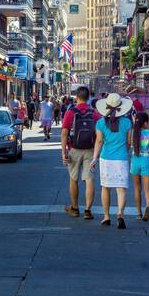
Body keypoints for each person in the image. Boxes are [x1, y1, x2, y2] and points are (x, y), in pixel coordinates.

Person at [93, 92, 134, 228]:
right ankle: (120, 214)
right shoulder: (127, 122)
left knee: (105, 188)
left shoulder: (100, 123)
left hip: (106, 158)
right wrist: (125, 150)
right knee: (121, 189)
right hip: (121, 158)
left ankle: (106, 216)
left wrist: (94, 158)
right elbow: (129, 142)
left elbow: (99, 141)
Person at [61, 87, 98, 219]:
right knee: (89, 180)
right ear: (88, 98)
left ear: (77, 96)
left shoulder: (71, 112)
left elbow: (65, 132)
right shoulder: (94, 113)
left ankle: (75, 208)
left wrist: (63, 152)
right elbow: (99, 134)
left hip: (74, 149)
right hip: (90, 149)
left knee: (73, 178)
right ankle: (88, 211)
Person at [128, 110, 149, 221]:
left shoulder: (132, 132)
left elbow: (129, 144)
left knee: (137, 188)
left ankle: (139, 213)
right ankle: (148, 206)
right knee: (147, 189)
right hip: (146, 160)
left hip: (135, 160)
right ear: (145, 123)